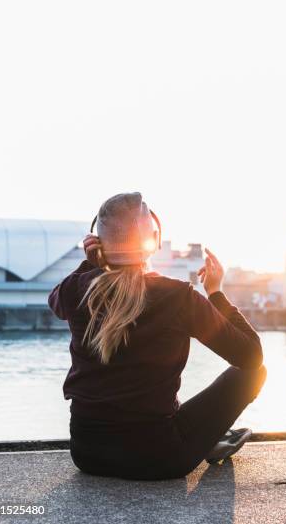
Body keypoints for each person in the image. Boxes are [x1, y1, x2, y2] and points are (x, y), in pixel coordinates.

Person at [48, 192, 266, 480]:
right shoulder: (177, 296)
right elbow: (251, 355)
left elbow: (56, 301)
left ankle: (206, 440)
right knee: (253, 373)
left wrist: (93, 265)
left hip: (87, 453)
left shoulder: (78, 289)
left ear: (98, 241)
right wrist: (216, 293)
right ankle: (205, 441)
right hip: (157, 458)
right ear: (154, 238)